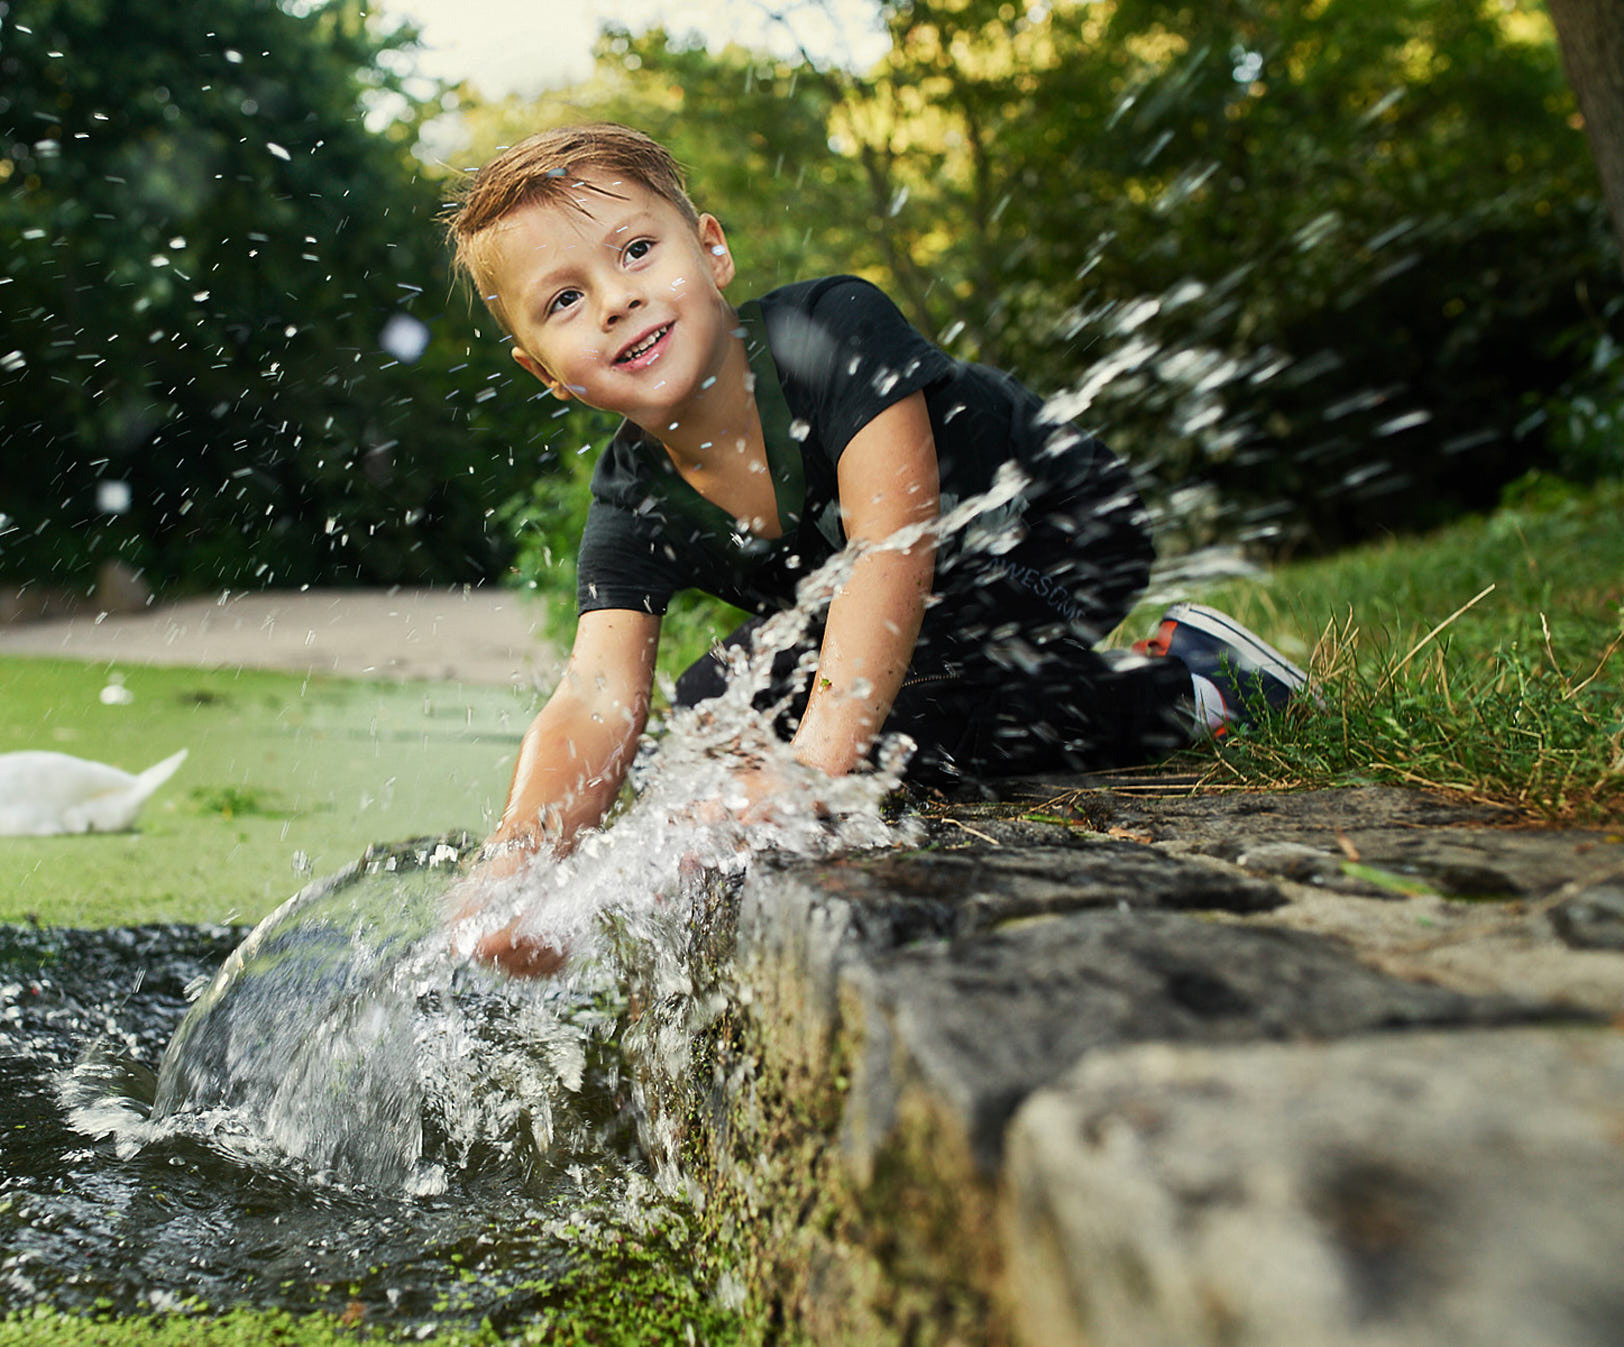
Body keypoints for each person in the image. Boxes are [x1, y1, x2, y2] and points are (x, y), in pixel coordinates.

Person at [442, 124, 1312, 974]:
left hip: (1060, 535)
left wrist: (811, 774)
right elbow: (595, 695)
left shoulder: (829, 328)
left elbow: (891, 549)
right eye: (564, 299)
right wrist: (519, 866)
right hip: (930, 601)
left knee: (901, 716)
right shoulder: (633, 495)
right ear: (546, 371)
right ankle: (1062, 691)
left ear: (712, 251)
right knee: (708, 707)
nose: (613, 299)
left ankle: (1193, 685)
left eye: (635, 250)